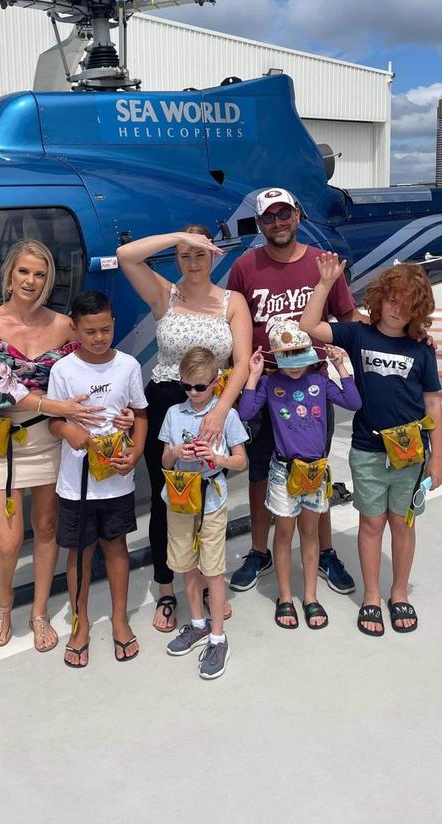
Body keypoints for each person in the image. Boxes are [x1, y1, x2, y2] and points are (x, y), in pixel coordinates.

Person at [0, 240, 114, 651]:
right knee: (8, 541)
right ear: (9, 275)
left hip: (50, 438)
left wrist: (118, 410)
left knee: (47, 529)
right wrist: (52, 402)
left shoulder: (65, 326)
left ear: (48, 281)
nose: (31, 281)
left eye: (40, 274)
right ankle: (3, 600)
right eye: (24, 272)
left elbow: (90, 371)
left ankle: (39, 611)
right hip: (4, 445)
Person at [300, 255, 442, 635]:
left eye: (409, 304)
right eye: (393, 299)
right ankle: (371, 596)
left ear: (419, 310)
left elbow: (432, 401)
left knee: (403, 522)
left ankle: (399, 593)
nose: (398, 310)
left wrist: (438, 457)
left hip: (411, 453)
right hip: (367, 450)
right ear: (379, 298)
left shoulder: (421, 349)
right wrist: (326, 283)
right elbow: (309, 326)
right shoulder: (358, 334)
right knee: (371, 523)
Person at [117, 226, 251, 632]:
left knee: (210, 495)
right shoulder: (165, 294)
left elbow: (242, 363)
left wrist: (219, 412)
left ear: (213, 255)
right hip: (167, 402)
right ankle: (166, 588)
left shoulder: (232, 302)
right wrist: (178, 235)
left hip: (213, 404)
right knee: (167, 499)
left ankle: (208, 583)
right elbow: (126, 255)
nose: (193, 262)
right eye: (185, 255)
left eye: (200, 254)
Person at [227, 187, 359, 596]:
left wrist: (404, 339)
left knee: (314, 468)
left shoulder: (321, 266)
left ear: (298, 215)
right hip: (266, 384)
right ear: (260, 223)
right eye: (269, 217)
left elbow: (348, 316)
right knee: (261, 471)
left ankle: (324, 552)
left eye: (285, 214)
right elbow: (235, 324)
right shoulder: (246, 267)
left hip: (314, 384)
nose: (278, 223)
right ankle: (259, 550)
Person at [47, 290, 148, 668]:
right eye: (90, 331)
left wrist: (135, 452)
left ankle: (120, 619)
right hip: (76, 483)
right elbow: (54, 420)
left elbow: (140, 415)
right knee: (78, 553)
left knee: (116, 546)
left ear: (113, 324)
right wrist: (66, 431)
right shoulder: (63, 370)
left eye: (105, 329)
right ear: (75, 328)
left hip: (117, 480)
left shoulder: (128, 366)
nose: (99, 337)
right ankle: (80, 622)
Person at [238, 321, 361, 630]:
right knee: (284, 533)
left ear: (309, 353)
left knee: (309, 534)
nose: (293, 364)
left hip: (316, 471)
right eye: (285, 355)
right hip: (283, 471)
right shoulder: (270, 383)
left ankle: (309, 596)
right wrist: (253, 376)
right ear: (275, 357)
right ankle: (285, 597)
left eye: (298, 353)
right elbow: (245, 412)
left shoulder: (318, 382)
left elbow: (354, 402)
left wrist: (340, 367)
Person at [160, 347, 248, 679]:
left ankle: (218, 636)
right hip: (181, 497)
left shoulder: (227, 416)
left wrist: (216, 459)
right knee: (185, 563)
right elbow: (164, 462)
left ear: (215, 382)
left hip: (211, 497)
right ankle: (197, 623)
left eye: (201, 387)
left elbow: (241, 461)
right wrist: (177, 452)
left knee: (212, 569)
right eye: (187, 387)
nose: (194, 394)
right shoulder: (173, 413)